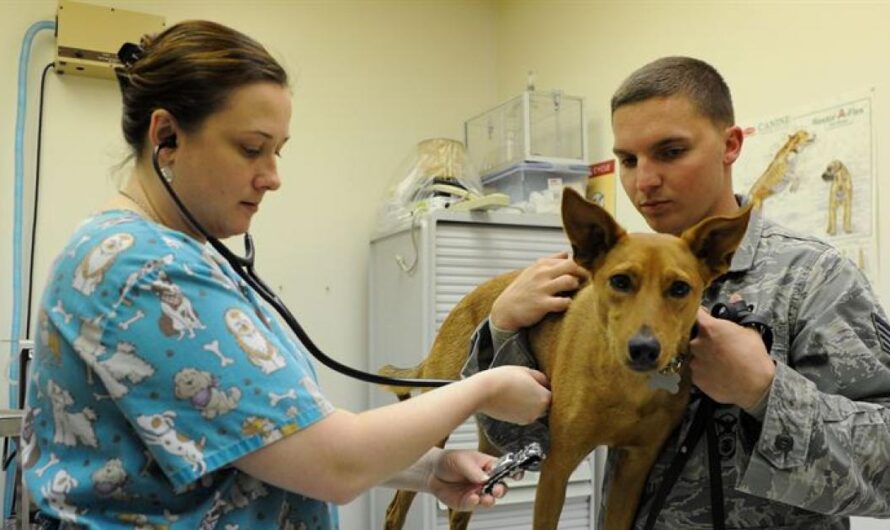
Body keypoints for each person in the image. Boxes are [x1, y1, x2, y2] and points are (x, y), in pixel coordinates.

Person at [21, 20, 552, 529]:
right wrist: (484, 387)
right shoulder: (142, 271)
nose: (273, 177)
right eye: (252, 148)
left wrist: (429, 470)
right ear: (167, 136)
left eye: (278, 151)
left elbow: (264, 439)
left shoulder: (172, 255)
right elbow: (335, 463)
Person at [462, 56, 890, 528]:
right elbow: (529, 450)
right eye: (627, 160)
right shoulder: (592, 287)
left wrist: (765, 391)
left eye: (669, 152)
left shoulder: (813, 279)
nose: (643, 181)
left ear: (730, 145)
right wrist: (503, 331)